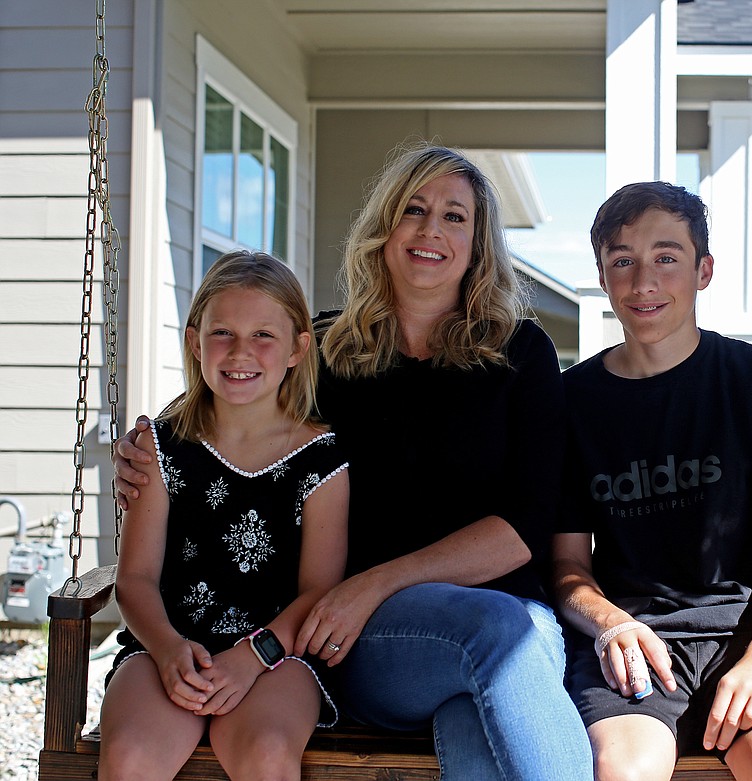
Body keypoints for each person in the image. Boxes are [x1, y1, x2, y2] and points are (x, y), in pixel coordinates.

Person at [115, 143, 592, 781]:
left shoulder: (519, 351)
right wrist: (144, 446)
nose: (431, 230)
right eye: (413, 210)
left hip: (471, 616)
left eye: (455, 217)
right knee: (503, 638)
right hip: (366, 637)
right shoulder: (330, 350)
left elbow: (526, 524)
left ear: (479, 243)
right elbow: (231, 393)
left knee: (477, 700)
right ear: (383, 229)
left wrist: (375, 582)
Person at [553, 182, 752, 781]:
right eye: (622, 261)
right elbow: (568, 567)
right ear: (602, 277)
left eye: (666, 258)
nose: (643, 281)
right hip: (637, 637)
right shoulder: (571, 402)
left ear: (703, 270)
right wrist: (609, 625)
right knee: (622, 772)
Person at [99, 251, 350, 780]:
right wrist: (168, 650)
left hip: (276, 655)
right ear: (194, 341)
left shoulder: (322, 459)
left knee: (266, 752)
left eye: (263, 335)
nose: (241, 352)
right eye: (222, 333)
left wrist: (251, 657)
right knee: (130, 756)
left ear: (297, 349)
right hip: (165, 647)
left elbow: (318, 592)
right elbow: (136, 578)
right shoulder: (159, 447)